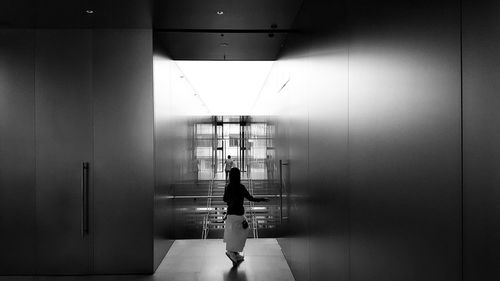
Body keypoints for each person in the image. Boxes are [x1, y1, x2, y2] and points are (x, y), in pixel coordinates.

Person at [223, 167, 269, 266]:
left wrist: (231, 201)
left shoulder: (228, 187)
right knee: (242, 232)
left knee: (233, 234)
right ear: (239, 176)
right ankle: (232, 252)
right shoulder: (241, 187)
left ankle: (234, 253)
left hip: (230, 215)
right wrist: (262, 199)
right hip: (239, 215)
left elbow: (224, 199)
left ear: (230, 176)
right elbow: (250, 198)